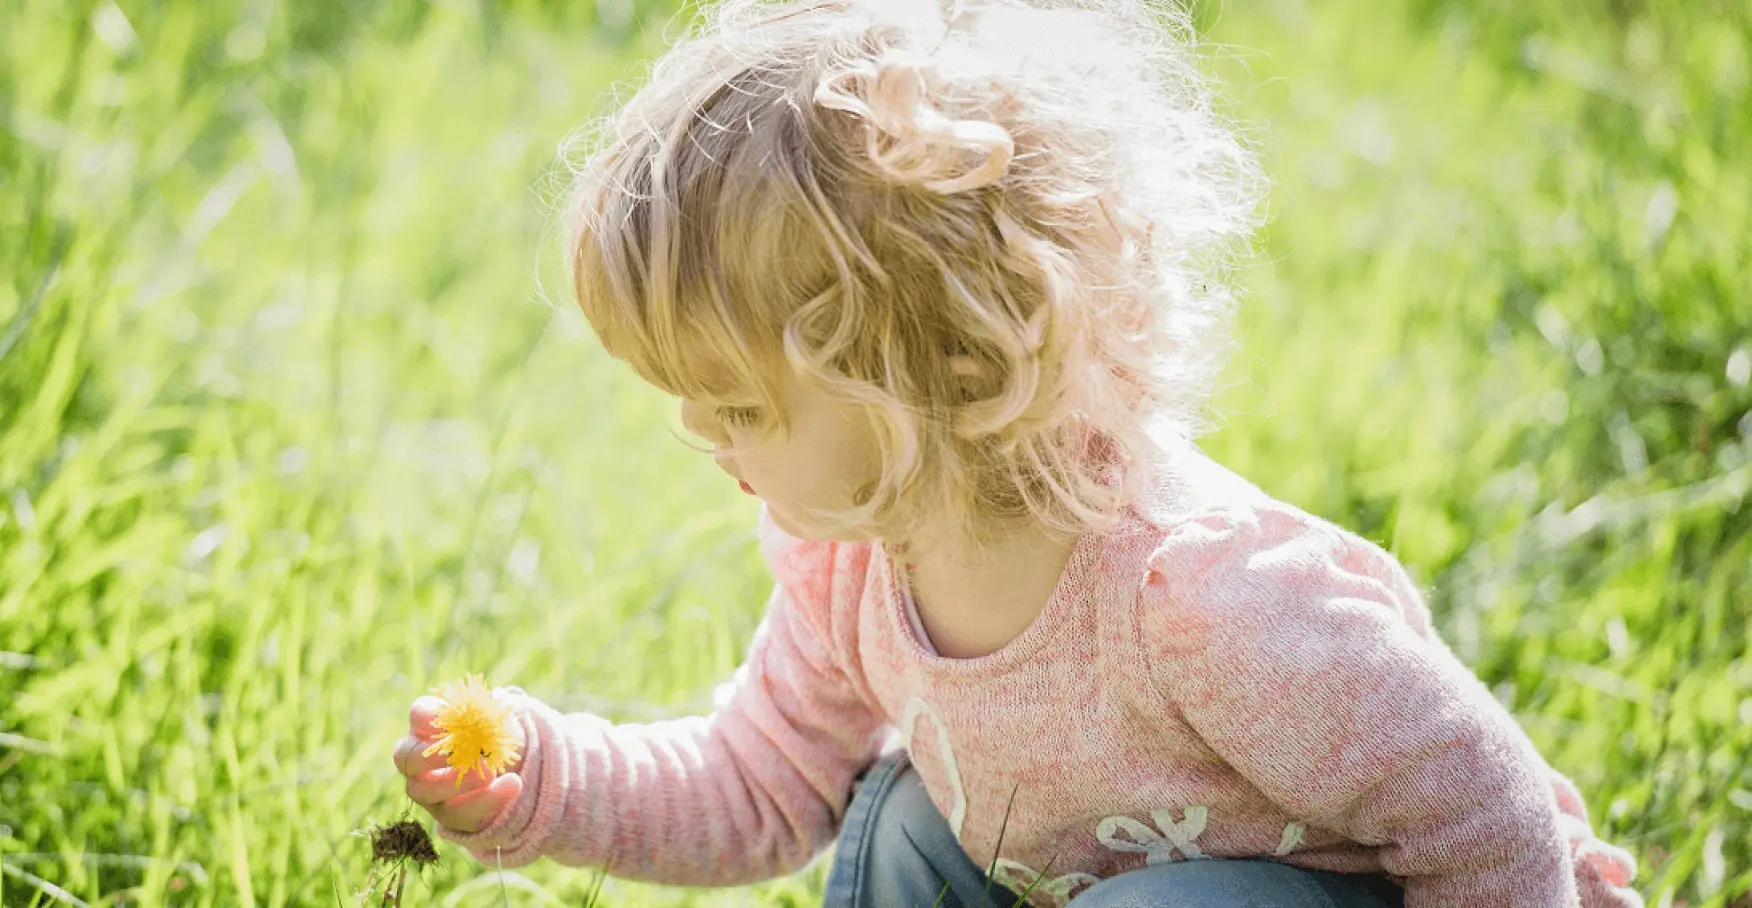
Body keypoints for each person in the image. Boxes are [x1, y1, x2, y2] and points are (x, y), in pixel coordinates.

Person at [391, 0, 1644, 904]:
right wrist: (545, 779)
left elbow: (1484, 813)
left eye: (738, 401)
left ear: (939, 371)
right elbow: (759, 779)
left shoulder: (1205, 603)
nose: (695, 432)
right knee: (890, 824)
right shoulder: (852, 569)